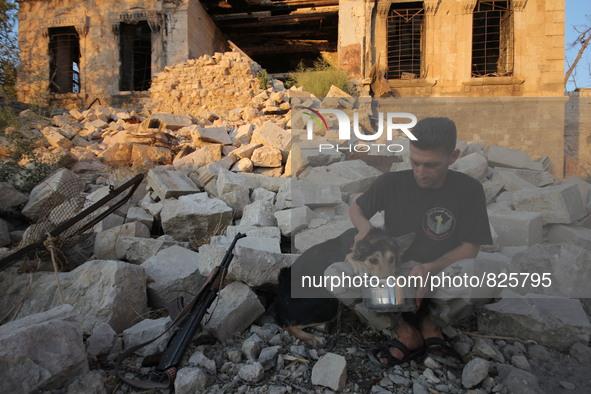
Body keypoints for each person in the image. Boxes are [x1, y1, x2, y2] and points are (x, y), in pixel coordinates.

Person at [327, 117, 493, 368]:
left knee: (489, 273)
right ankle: (405, 332)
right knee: (334, 276)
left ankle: (431, 327)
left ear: (453, 156)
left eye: (431, 165)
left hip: (439, 275)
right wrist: (363, 228)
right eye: (414, 162)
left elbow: (471, 248)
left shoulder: (469, 190)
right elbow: (356, 208)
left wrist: (429, 268)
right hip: (394, 274)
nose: (421, 172)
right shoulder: (390, 183)